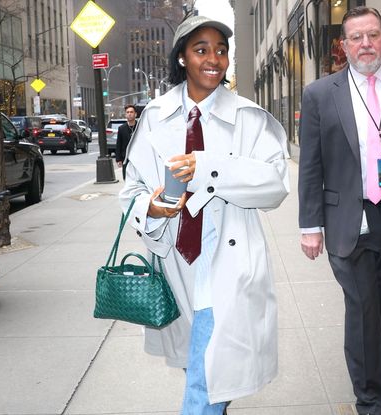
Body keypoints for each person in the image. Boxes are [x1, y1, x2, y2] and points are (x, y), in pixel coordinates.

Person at [119, 15, 289, 415]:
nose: (214, 58)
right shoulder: (155, 116)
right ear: (182, 58)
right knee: (204, 370)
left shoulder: (249, 117)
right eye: (202, 50)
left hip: (226, 269)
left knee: (204, 387)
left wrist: (209, 168)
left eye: (221, 50)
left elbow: (275, 185)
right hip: (176, 267)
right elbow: (132, 192)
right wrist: (152, 208)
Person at [298, 7, 381, 415]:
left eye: (373, 35)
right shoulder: (320, 94)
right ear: (344, 45)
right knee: (362, 307)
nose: (366, 44)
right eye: (356, 37)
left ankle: (364, 348)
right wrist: (310, 226)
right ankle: (372, 403)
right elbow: (310, 164)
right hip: (350, 219)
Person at [116, 104, 137, 179]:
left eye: (131, 112)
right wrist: (118, 159)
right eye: (127, 112)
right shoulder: (121, 128)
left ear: (135, 114)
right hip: (126, 158)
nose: (129, 114)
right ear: (125, 115)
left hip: (139, 157)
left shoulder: (140, 126)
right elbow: (119, 144)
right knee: (127, 178)